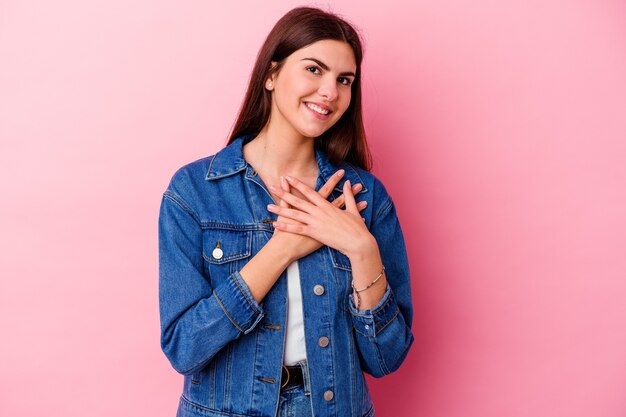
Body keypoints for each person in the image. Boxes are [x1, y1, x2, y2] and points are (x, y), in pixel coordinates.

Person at [158, 6, 414, 417]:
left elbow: (386, 359)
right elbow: (184, 349)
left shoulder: (364, 196)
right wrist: (283, 249)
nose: (330, 91)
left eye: (344, 80)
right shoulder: (195, 192)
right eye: (314, 69)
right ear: (271, 74)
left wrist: (361, 248)